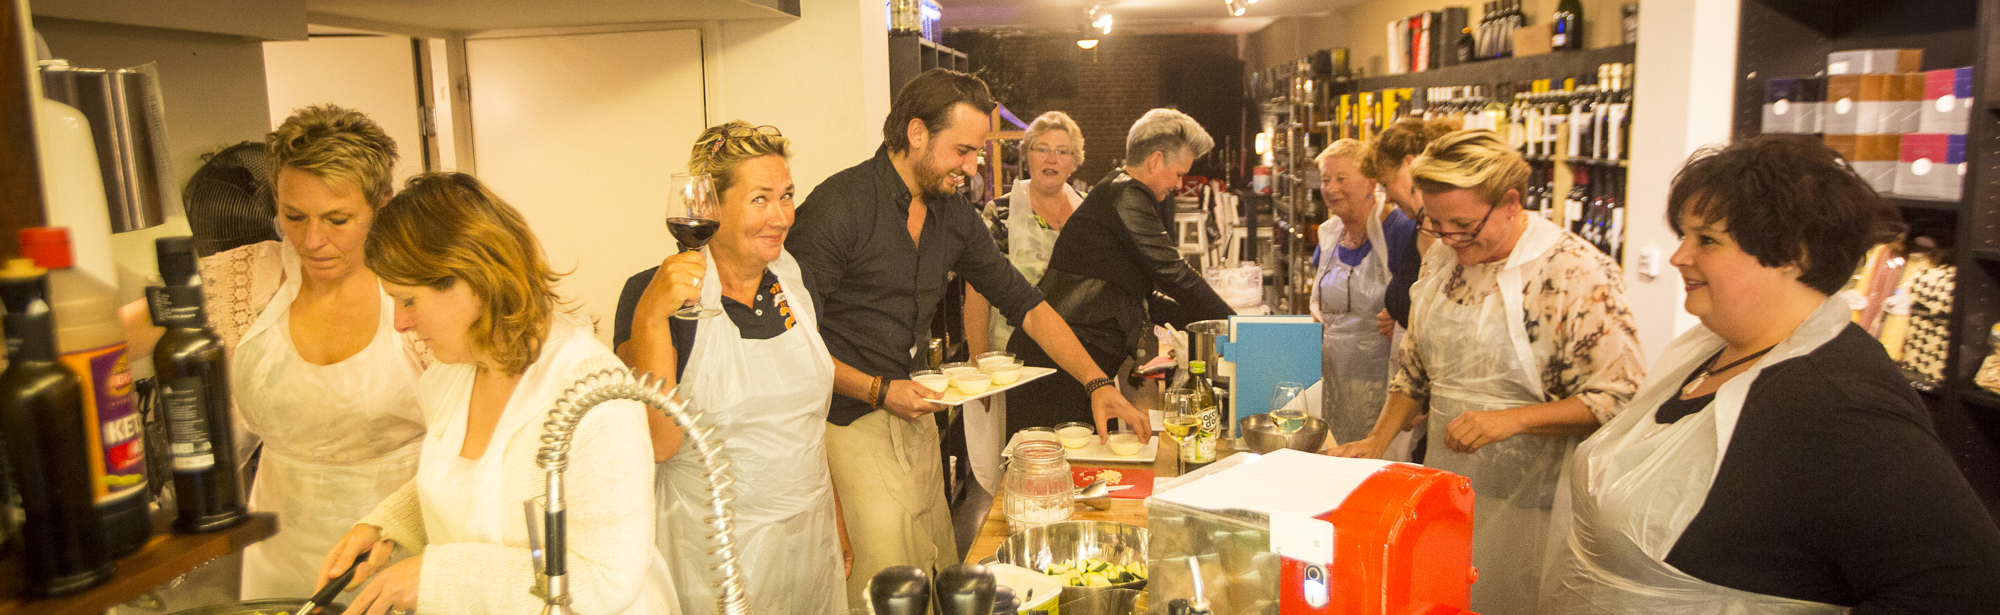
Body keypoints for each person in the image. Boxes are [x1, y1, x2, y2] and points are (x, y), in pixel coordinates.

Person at [1542, 136, 2000, 613]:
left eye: (1707, 240)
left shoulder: (1839, 402)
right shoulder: (1712, 353)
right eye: (1684, 235)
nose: (1679, 256)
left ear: (1793, 253)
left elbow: (1964, 588)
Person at [785, 68, 1146, 608]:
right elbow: (793, 342)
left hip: (916, 413)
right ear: (915, 134)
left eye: (976, 152)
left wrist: (1096, 381)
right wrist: (879, 390)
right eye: (962, 150)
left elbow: (1024, 302)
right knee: (885, 586)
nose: (972, 166)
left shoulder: (953, 212)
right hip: (849, 421)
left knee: (939, 569)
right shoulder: (839, 206)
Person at [320, 173, 677, 614]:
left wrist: (438, 576)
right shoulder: (451, 376)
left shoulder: (596, 398)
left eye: (408, 300)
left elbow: (606, 583)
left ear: (473, 280)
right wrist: (386, 525)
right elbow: (471, 485)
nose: (399, 323)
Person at [115, 105, 430, 599]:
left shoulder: (419, 288)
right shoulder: (242, 277)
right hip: (280, 549)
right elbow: (103, 340)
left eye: (337, 219)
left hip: (402, 550)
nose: (312, 240)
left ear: (383, 205)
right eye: (294, 216)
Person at [1329, 129, 1645, 614]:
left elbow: (1620, 398)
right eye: (1434, 223)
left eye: (1465, 225)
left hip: (1537, 503)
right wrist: (1378, 439)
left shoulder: (1573, 274)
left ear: (1512, 202)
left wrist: (1512, 418)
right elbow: (1415, 370)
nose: (1450, 239)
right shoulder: (1443, 258)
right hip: (1450, 484)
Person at [611, 122, 846, 615]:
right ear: (708, 207)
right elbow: (658, 443)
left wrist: (838, 522)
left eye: (787, 196)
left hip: (809, 540)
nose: (782, 216)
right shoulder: (648, 296)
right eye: (761, 199)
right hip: (714, 557)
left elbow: (806, 424)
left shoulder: (791, 281)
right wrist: (652, 316)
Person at [1005, 108, 1236, 434]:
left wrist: (1205, 326)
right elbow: (1174, 274)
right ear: (1156, 160)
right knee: (1049, 476)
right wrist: (1239, 328)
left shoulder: (1122, 190)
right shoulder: (1127, 194)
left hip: (1074, 364)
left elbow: (1136, 293)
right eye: (1178, 172)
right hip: (1057, 365)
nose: (1179, 183)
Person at [1308, 139, 1418, 450]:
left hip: (1385, 389)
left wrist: (1402, 320)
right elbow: (1318, 303)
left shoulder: (1400, 230)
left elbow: (1421, 306)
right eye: (1326, 180)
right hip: (1333, 382)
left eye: (1342, 178)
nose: (1331, 188)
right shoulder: (1329, 235)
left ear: (1371, 181)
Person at [965, 111, 1087, 358]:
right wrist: (980, 363)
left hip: (1079, 355)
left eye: (1062, 151)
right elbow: (977, 297)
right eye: (1042, 149)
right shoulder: (1000, 213)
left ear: (1074, 161)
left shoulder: (1090, 213)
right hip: (1013, 359)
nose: (1051, 159)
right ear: (1027, 155)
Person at [1360, 118, 1458, 338]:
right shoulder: (1421, 225)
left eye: (1386, 183)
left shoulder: (1437, 229)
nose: (1387, 197)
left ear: (1409, 164)